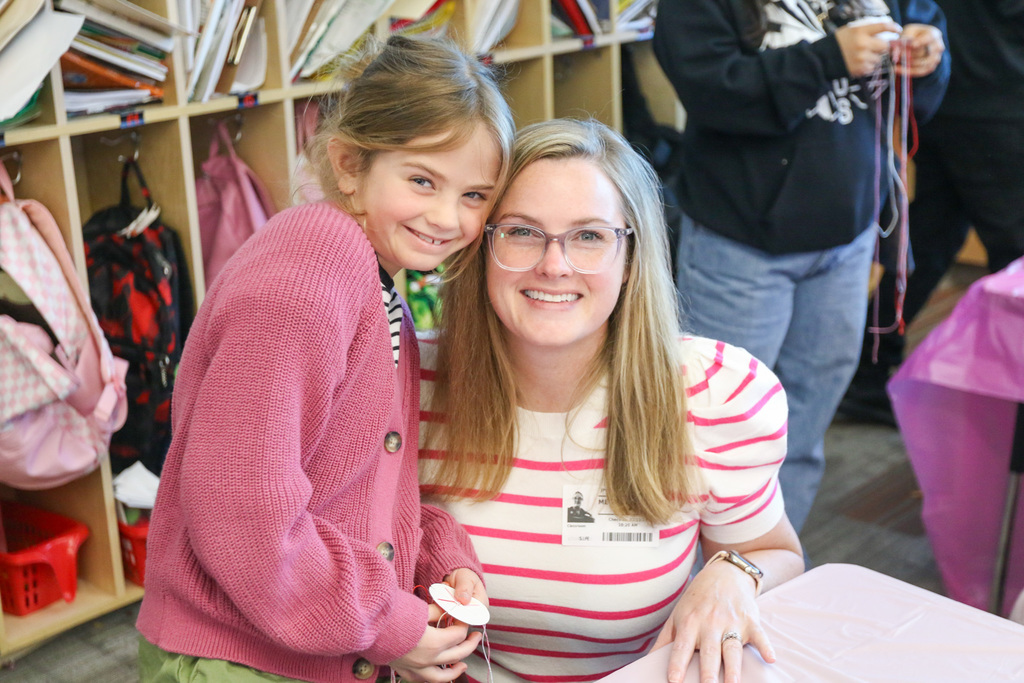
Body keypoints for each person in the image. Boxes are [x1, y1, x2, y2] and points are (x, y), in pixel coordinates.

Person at [136, 36, 515, 683]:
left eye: (475, 196)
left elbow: (352, 488)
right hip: (235, 659)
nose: (446, 217)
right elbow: (242, 506)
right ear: (348, 164)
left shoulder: (377, 285)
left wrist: (437, 560)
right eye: (422, 180)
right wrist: (389, 624)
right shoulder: (317, 261)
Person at [419, 118, 805, 683]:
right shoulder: (407, 378)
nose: (554, 265)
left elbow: (779, 554)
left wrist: (733, 573)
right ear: (482, 248)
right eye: (522, 232)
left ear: (631, 260)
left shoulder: (711, 394)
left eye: (589, 237)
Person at [652, 0, 950, 534]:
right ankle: (697, 573)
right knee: (712, 429)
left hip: (847, 238)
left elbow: (923, 58)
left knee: (803, 428)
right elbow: (711, 90)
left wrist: (927, 57)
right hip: (740, 242)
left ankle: (775, 562)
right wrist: (827, 58)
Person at [839, 0, 1024, 425]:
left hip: (954, 92)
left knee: (929, 241)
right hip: (988, 99)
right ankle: (1009, 410)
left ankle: (866, 372)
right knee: (1014, 268)